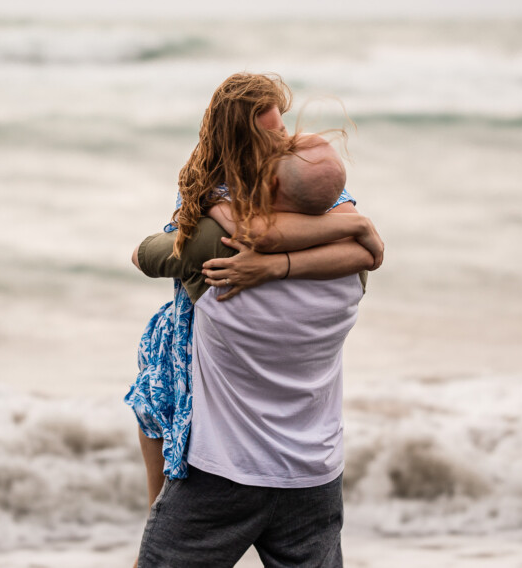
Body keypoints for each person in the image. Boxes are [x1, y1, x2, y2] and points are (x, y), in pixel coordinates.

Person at [125, 73, 383, 561]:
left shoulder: (211, 248)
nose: (280, 140)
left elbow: (142, 255)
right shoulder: (353, 262)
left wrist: (220, 212)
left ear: (268, 178)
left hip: (221, 475)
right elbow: (365, 247)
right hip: (314, 476)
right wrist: (352, 227)